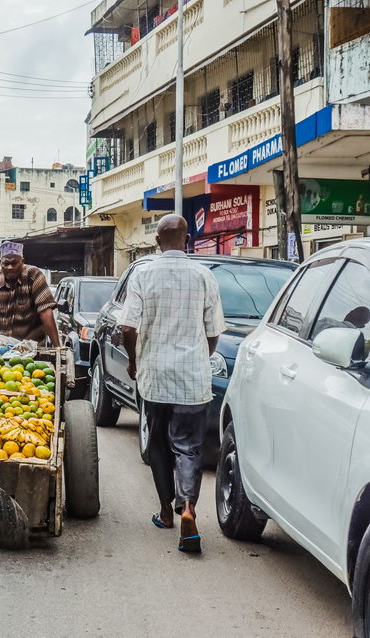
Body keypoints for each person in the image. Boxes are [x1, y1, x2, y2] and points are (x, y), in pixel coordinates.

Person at [117, 214, 225, 555]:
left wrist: (134, 360)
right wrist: (198, 357)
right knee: (189, 446)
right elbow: (213, 331)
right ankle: (188, 508)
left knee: (158, 444)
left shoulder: (143, 273)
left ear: (157, 242)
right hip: (192, 378)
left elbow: (127, 328)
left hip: (155, 375)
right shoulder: (204, 275)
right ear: (188, 239)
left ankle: (166, 512)